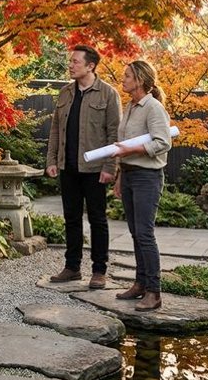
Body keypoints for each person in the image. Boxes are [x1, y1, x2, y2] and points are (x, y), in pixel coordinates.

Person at [45, 44, 121, 289]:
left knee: (98, 219)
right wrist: (52, 161)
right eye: (70, 61)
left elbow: (114, 134)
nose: (70, 65)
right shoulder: (65, 93)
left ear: (91, 66)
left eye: (75, 61)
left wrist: (110, 166)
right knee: (71, 218)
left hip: (96, 169)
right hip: (68, 166)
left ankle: (99, 270)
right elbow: (56, 130)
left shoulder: (108, 94)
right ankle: (72, 267)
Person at [112, 60, 172, 311]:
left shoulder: (153, 108)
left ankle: (154, 292)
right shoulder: (131, 106)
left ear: (140, 80)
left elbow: (163, 142)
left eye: (127, 76)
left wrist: (134, 148)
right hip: (128, 175)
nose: (123, 79)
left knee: (145, 234)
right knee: (136, 233)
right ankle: (139, 283)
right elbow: (122, 147)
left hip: (147, 177)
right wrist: (118, 177)